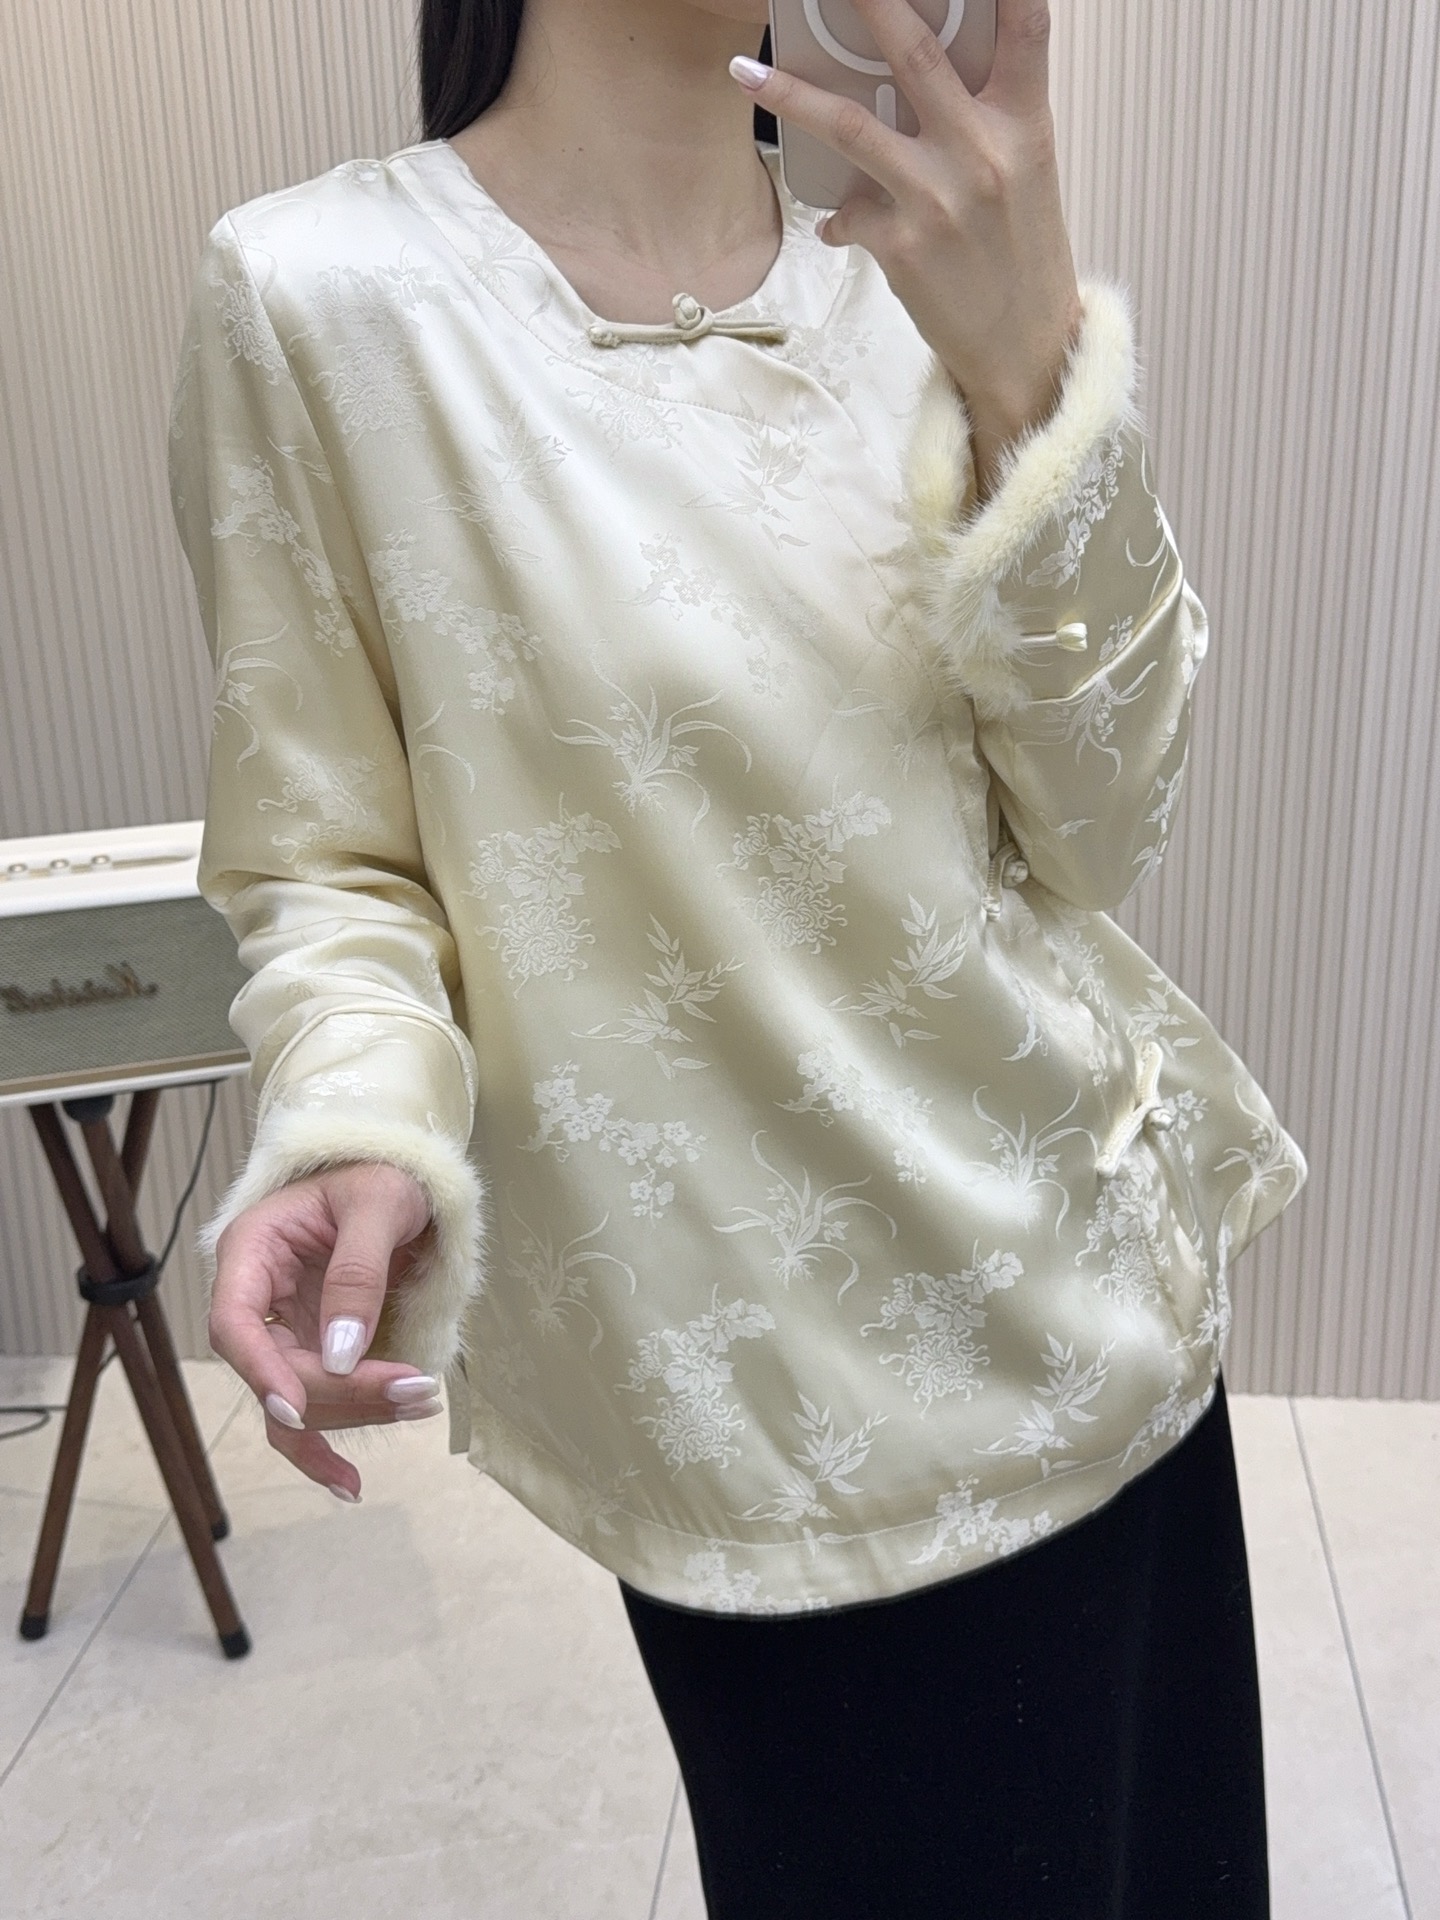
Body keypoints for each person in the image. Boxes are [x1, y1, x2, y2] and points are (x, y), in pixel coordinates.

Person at [168, 1, 1309, 1912]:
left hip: (1113, 1319)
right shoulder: (322, 299)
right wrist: (358, 1115)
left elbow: (1103, 827)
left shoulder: (909, 283)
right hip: (773, 1432)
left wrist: (1034, 366)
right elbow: (328, 854)